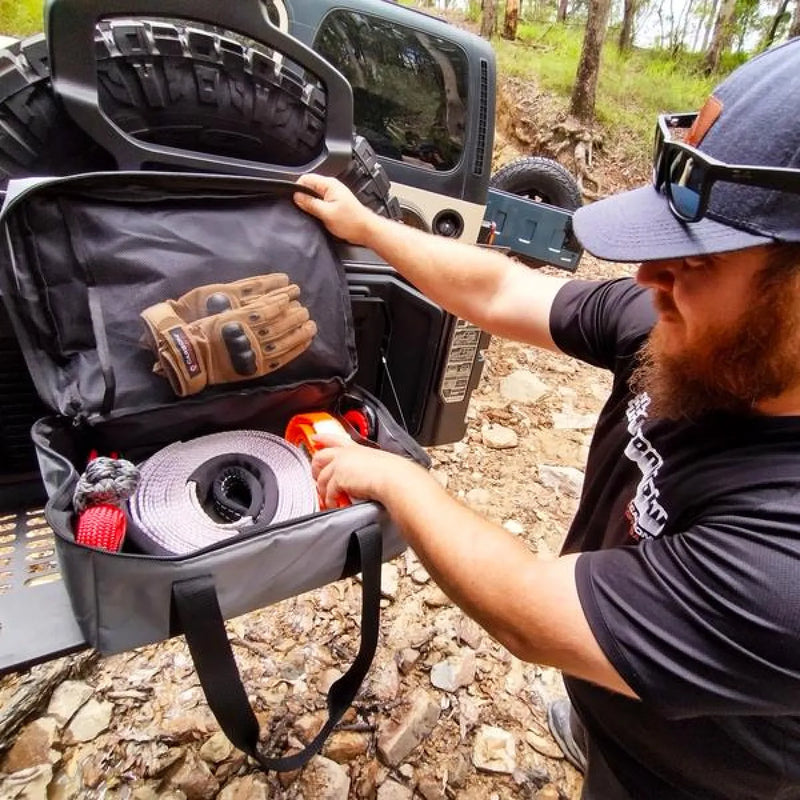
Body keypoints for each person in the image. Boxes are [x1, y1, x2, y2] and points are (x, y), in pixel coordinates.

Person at [293, 38, 800, 799]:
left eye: (696, 262)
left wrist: (395, 478)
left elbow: (530, 610)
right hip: (633, 705)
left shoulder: (786, 560)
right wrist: (370, 227)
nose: (647, 279)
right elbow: (501, 291)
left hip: (692, 778)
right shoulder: (683, 328)